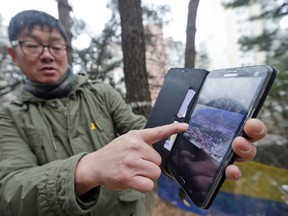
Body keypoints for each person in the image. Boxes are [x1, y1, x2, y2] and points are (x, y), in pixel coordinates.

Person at [0, 10, 267, 216]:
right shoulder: (8, 117)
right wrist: (86, 169)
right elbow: (10, 190)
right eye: (33, 45)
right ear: (13, 53)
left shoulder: (100, 93)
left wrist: (198, 147)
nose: (47, 55)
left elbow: (143, 132)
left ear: (66, 51)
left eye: (56, 46)